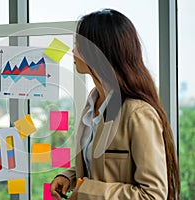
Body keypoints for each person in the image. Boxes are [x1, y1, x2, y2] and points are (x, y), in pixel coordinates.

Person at [50, 9, 180, 200]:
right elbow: (101, 168)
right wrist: (69, 176)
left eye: (78, 45)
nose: (72, 51)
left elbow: (153, 195)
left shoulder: (138, 114)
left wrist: (85, 190)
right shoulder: (92, 106)